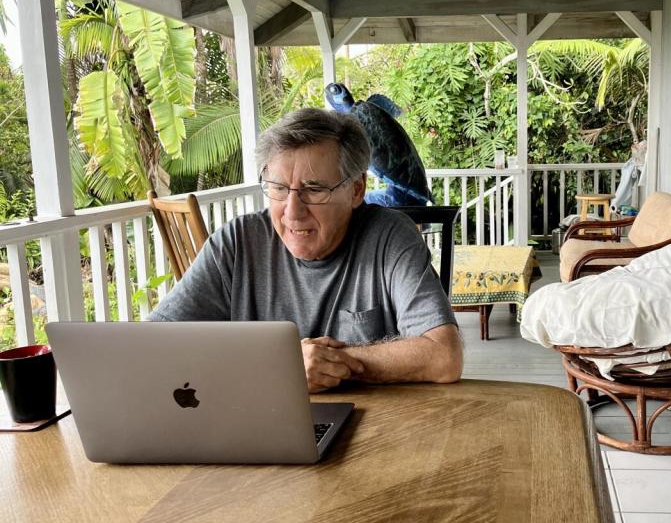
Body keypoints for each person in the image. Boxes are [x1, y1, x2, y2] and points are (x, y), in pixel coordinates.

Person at [149, 108, 462, 391]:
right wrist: (277, 366)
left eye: (314, 190)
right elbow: (149, 347)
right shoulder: (236, 243)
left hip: (373, 430)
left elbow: (443, 356)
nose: (292, 212)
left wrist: (329, 365)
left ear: (356, 190)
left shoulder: (390, 237)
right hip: (254, 427)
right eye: (279, 189)